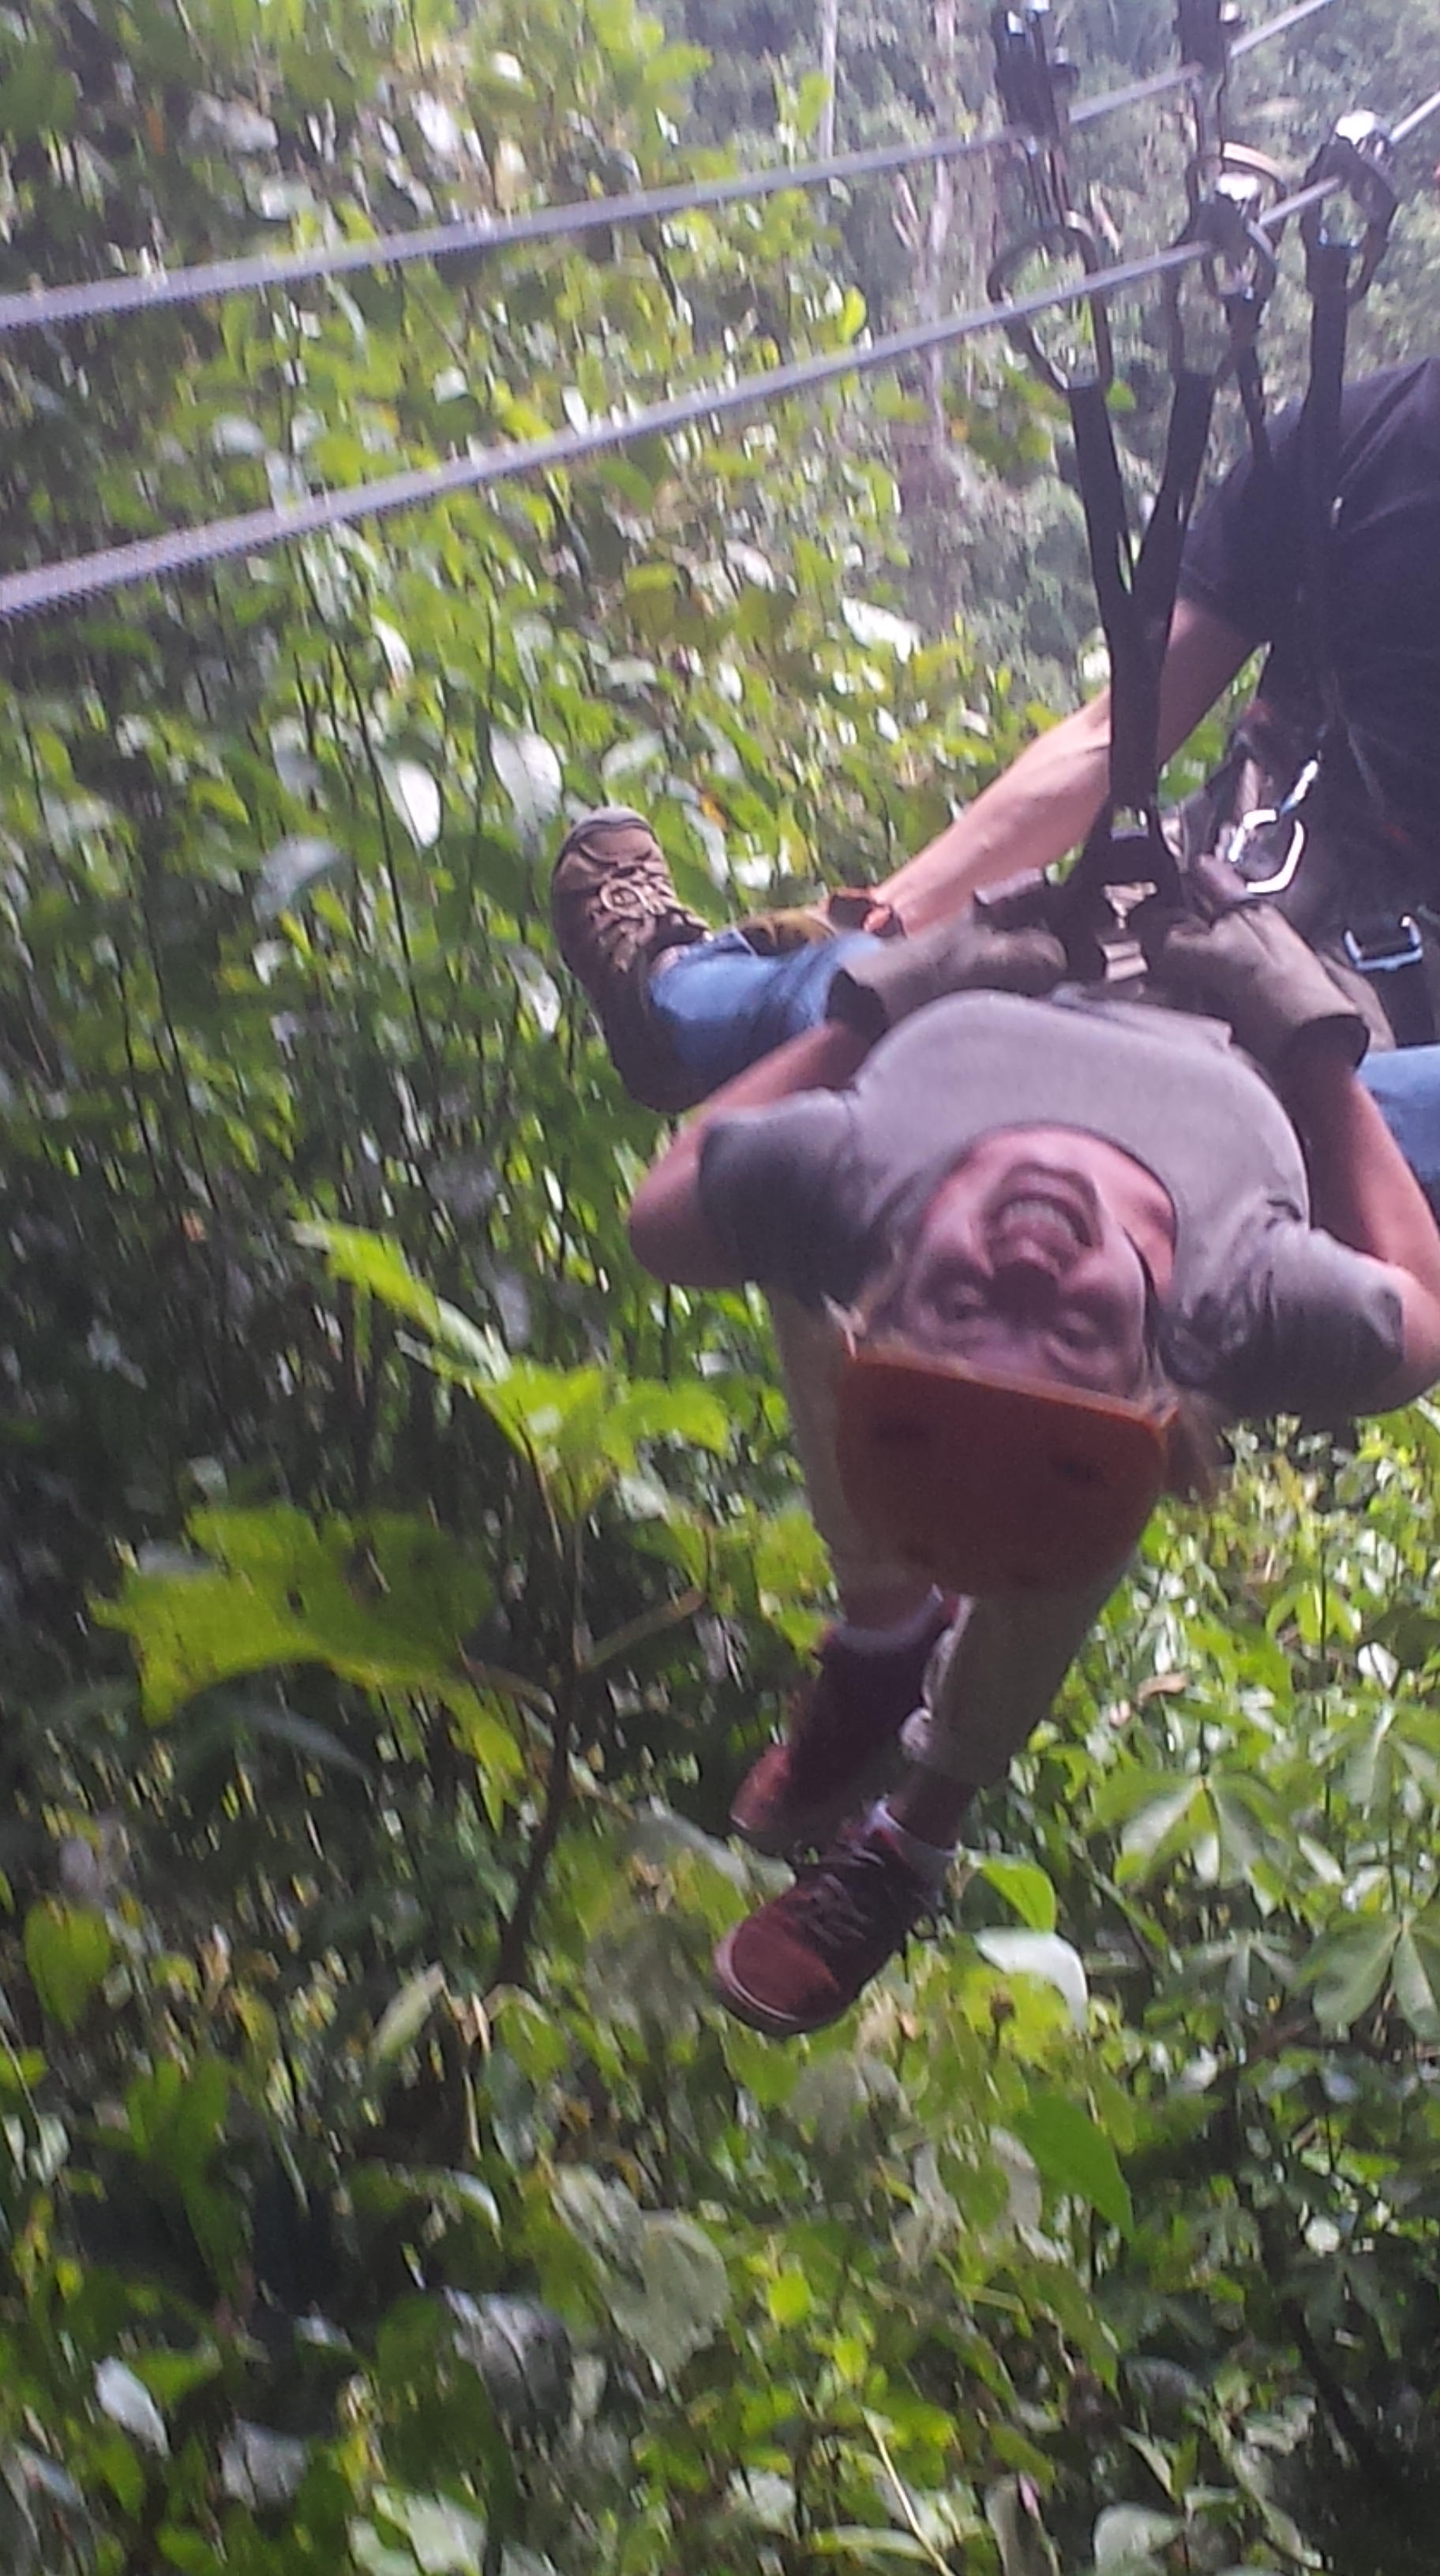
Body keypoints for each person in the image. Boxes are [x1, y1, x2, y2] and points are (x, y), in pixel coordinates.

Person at [552, 811, 1440, 2039]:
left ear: (892, 1277)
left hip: (969, 1005)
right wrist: (1312, 1041)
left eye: (967, 1304)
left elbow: (667, 1209)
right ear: (1159, 1355)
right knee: (1069, 1466)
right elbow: (1418, 1314)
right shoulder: (1232, 1301)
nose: (1028, 1269)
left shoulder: (852, 1189)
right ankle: (916, 1790)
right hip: (1257, 1063)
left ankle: (888, 1665)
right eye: (1073, 1328)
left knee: (714, 1031)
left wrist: (879, 1004)